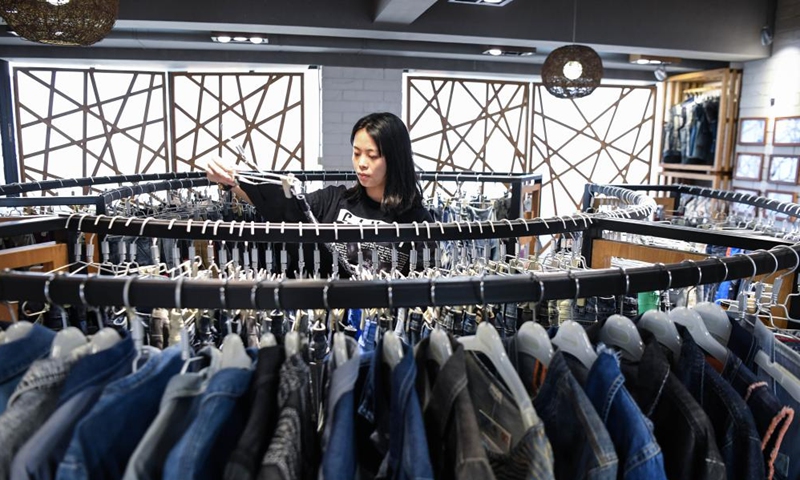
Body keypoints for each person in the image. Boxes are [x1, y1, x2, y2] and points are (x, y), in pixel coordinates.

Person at [203, 112, 433, 277]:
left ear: (395, 158)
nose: (361, 163)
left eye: (372, 156)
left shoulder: (418, 222)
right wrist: (231, 180)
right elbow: (281, 207)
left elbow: (421, 286)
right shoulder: (334, 199)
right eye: (356, 153)